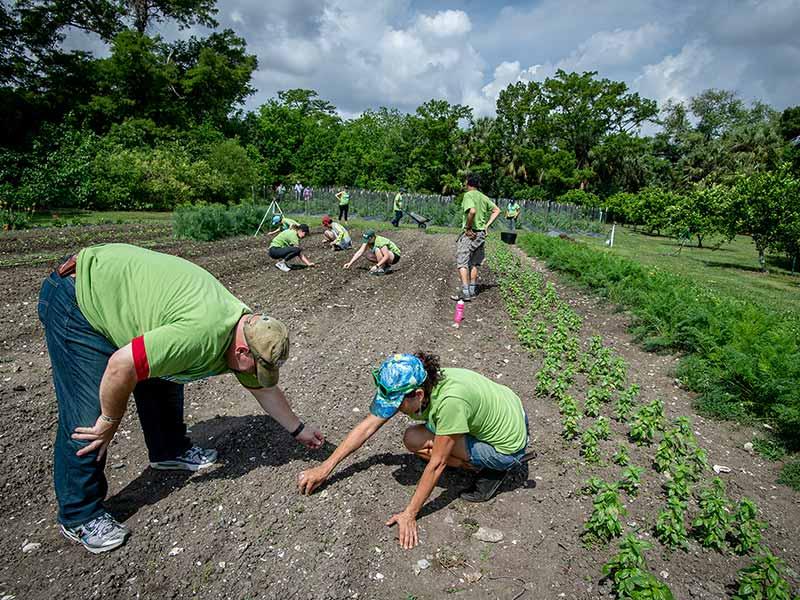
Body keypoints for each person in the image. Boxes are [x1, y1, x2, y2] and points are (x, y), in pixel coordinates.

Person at [37, 244, 325, 554]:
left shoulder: (246, 329)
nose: (258, 375)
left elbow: (263, 389)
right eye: (258, 367)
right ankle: (79, 514)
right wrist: (109, 420)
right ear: (243, 352)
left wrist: (298, 429)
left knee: (166, 371)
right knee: (89, 418)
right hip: (79, 301)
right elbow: (122, 365)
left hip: (122, 301)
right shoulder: (201, 335)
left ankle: (168, 450)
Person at [297, 352, 531, 549]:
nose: (395, 409)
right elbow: (368, 426)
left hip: (507, 448)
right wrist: (324, 468)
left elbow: (437, 463)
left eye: (398, 403)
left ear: (418, 394)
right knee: (413, 438)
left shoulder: (450, 403)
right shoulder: (424, 379)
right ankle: (467, 460)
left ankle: (489, 469)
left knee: (434, 450)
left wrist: (409, 514)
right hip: (508, 410)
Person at [454, 174, 500, 301]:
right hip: (481, 234)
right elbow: (497, 210)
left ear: (468, 183)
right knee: (474, 263)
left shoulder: (468, 195)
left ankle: (465, 293)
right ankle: (472, 290)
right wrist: (486, 225)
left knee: (462, 262)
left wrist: (468, 228)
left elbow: (472, 211)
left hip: (471, 234)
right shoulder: (483, 197)